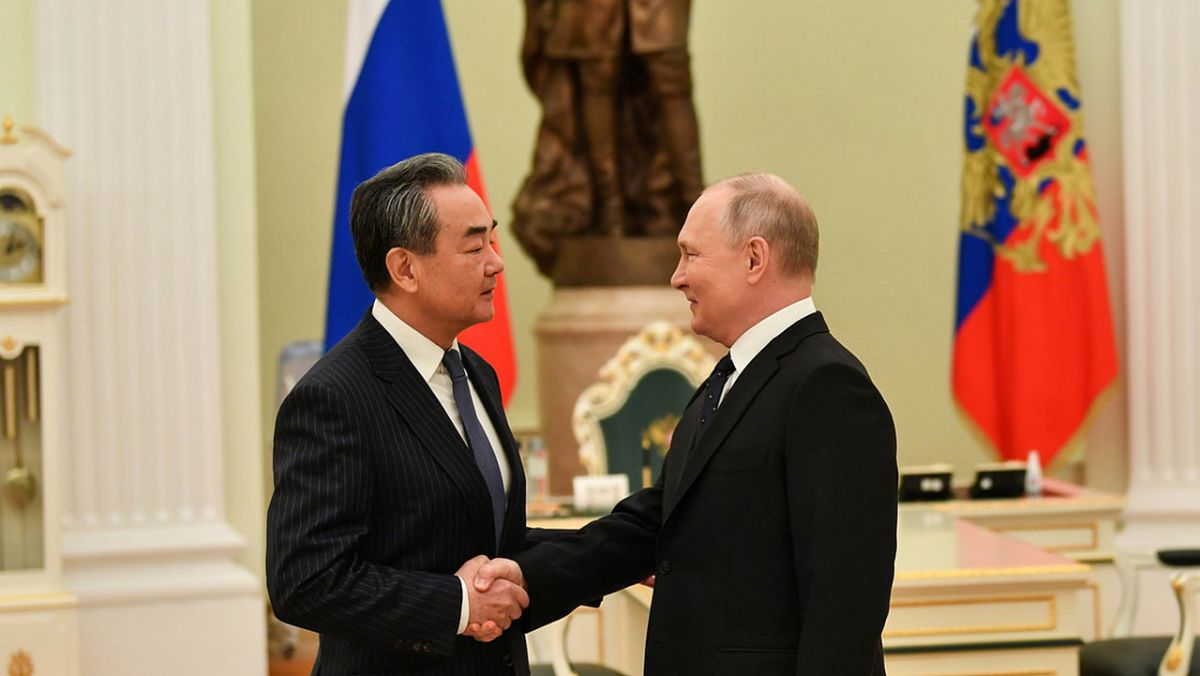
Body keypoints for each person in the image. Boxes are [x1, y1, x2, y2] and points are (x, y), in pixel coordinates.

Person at [479, 173, 898, 674]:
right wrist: (528, 576)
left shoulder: (828, 386)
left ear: (754, 259)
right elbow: (658, 522)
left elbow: (845, 600)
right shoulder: (731, 377)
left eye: (691, 255)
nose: (677, 277)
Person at [267, 153, 542, 675]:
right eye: (475, 246)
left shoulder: (475, 372)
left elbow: (496, 538)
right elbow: (305, 581)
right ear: (404, 268)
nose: (496, 263)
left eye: (492, 240)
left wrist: (621, 555)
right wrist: (457, 605)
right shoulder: (333, 397)